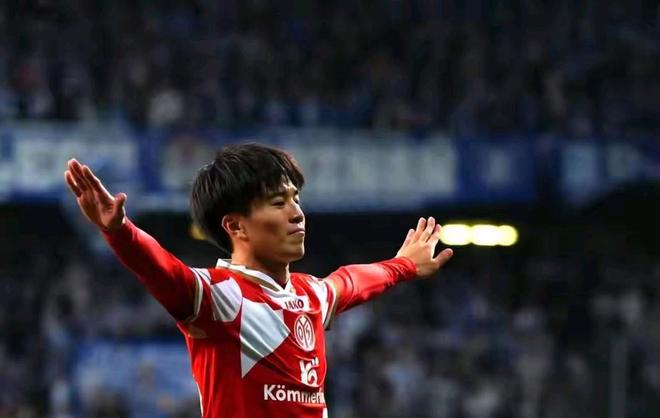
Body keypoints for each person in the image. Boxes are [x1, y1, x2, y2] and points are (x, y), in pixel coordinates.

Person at [63, 143, 453, 418]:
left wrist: (403, 265)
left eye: (296, 199)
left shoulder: (310, 294)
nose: (297, 213)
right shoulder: (220, 297)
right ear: (236, 226)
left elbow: (351, 281)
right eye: (279, 203)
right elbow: (164, 271)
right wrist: (121, 232)